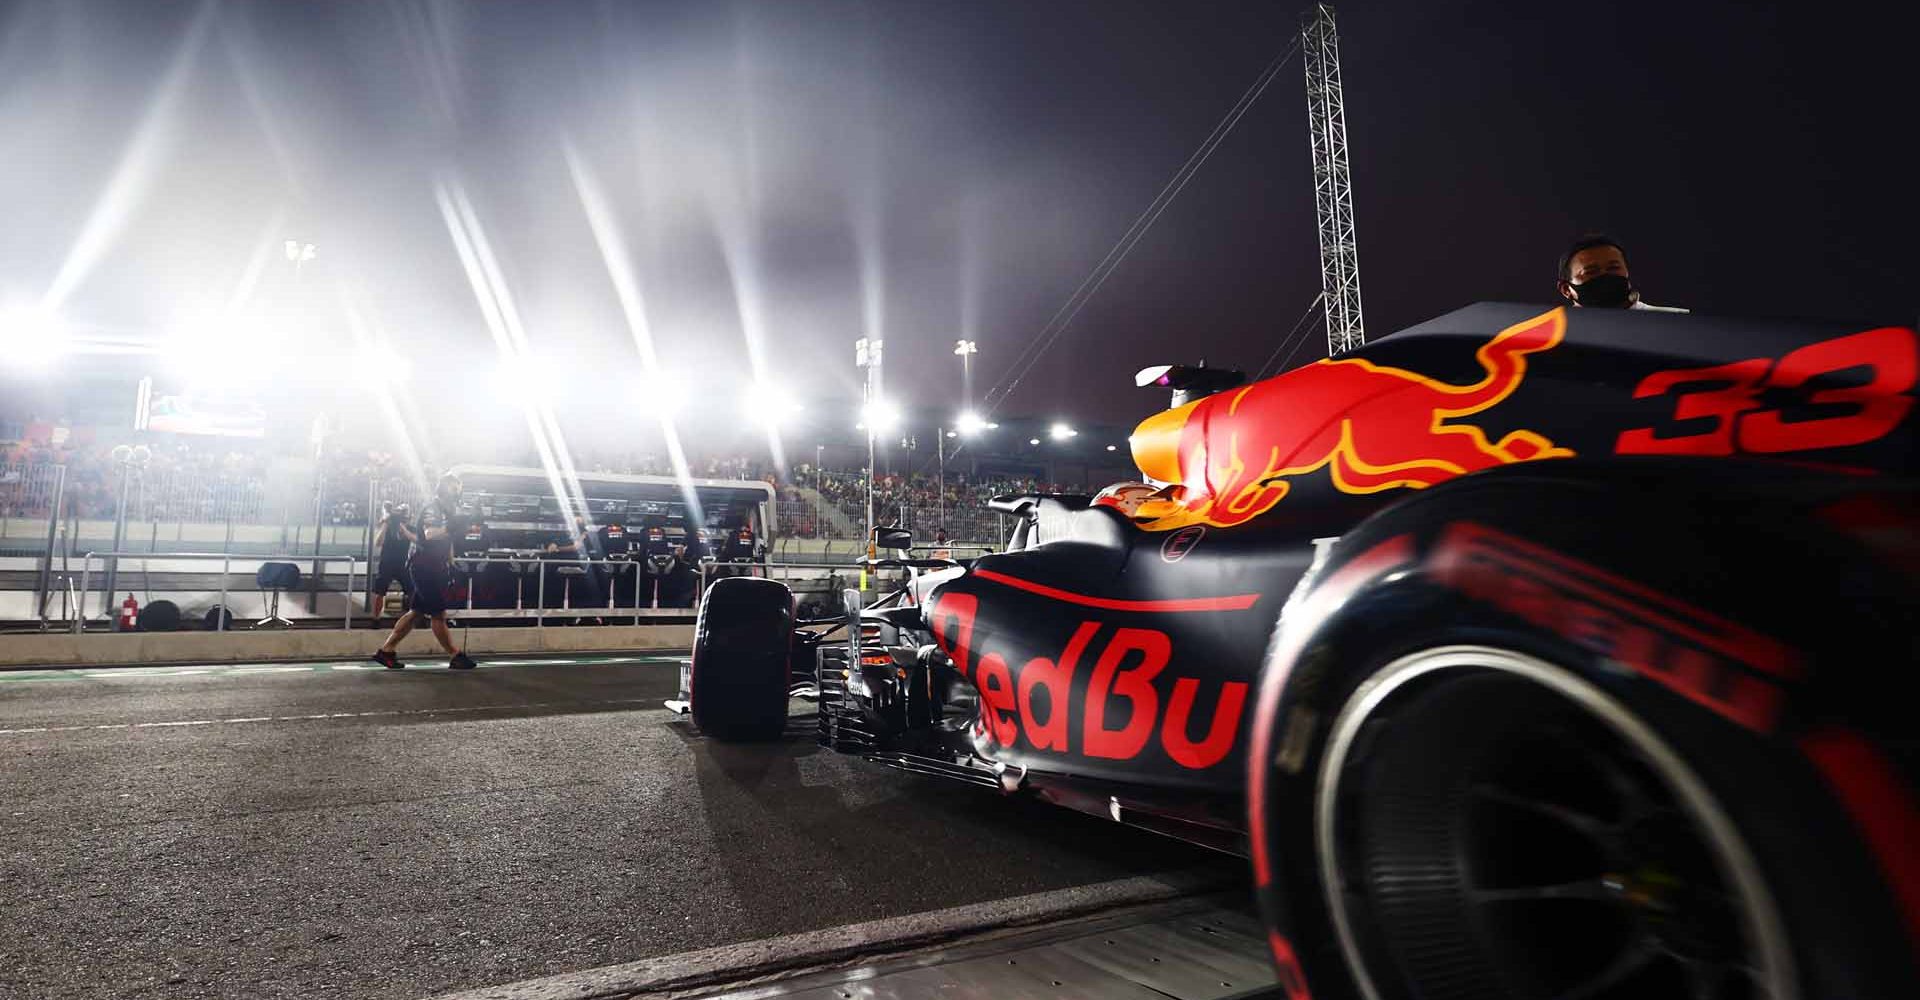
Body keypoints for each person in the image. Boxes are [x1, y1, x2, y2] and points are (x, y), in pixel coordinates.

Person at [371, 473, 476, 670]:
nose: (458, 492)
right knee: (438, 613)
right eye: (456, 488)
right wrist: (450, 526)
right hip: (423, 567)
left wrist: (451, 564)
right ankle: (455, 655)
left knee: (416, 612)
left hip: (436, 567)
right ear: (446, 489)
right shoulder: (433, 509)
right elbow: (429, 534)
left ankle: (386, 651)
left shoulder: (449, 510)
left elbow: (448, 540)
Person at [1555, 234, 1688, 313]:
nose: (1605, 276)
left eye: (1614, 268)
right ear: (1566, 289)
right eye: (1591, 272)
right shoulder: (1556, 339)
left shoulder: (1678, 323)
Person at [545, 512, 606, 623]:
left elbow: (576, 547)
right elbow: (551, 547)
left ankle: (575, 616)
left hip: (573, 567)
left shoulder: (582, 533)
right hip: (572, 567)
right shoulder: (566, 534)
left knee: (576, 591)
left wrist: (558, 549)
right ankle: (565, 616)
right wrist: (557, 547)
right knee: (573, 591)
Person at [370, 501, 416, 619]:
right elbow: (378, 543)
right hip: (386, 564)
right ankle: (376, 619)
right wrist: (386, 523)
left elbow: (415, 539)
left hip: (402, 565)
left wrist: (402, 527)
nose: (404, 519)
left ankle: (414, 617)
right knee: (380, 592)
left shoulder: (410, 528)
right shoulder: (389, 527)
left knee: (412, 591)